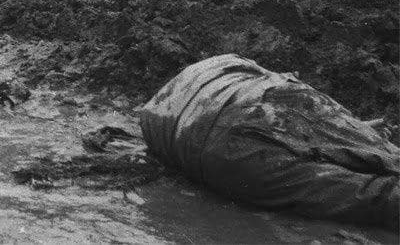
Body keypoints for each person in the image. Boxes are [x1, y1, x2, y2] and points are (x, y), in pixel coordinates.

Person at [141, 54, 399, 229]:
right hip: (251, 102)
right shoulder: (229, 67)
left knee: (361, 186)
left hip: (216, 129)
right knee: (376, 164)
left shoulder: (152, 114)